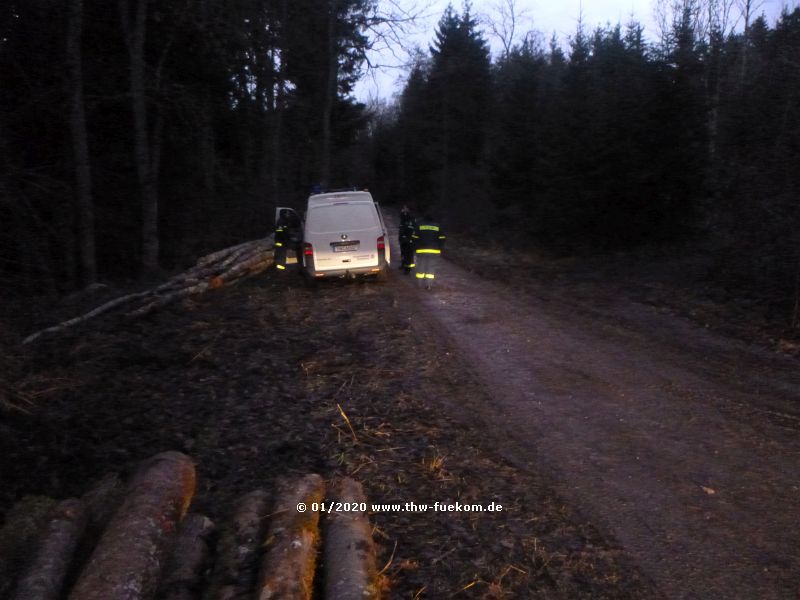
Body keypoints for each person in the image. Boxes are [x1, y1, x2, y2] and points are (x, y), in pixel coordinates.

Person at [411, 213, 445, 289]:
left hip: (421, 250)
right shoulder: (438, 226)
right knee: (431, 267)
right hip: (434, 251)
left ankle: (419, 284)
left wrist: (415, 248)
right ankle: (428, 285)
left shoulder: (419, 225)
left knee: (421, 266)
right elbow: (442, 239)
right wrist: (440, 248)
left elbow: (414, 238)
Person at [398, 205, 416, 274]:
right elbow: (402, 219)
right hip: (403, 239)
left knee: (408, 254)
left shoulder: (411, 218)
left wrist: (409, 238)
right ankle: (404, 264)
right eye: (403, 209)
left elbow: (413, 229)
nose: (404, 210)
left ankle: (408, 268)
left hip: (409, 240)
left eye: (405, 209)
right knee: (403, 253)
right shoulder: (403, 219)